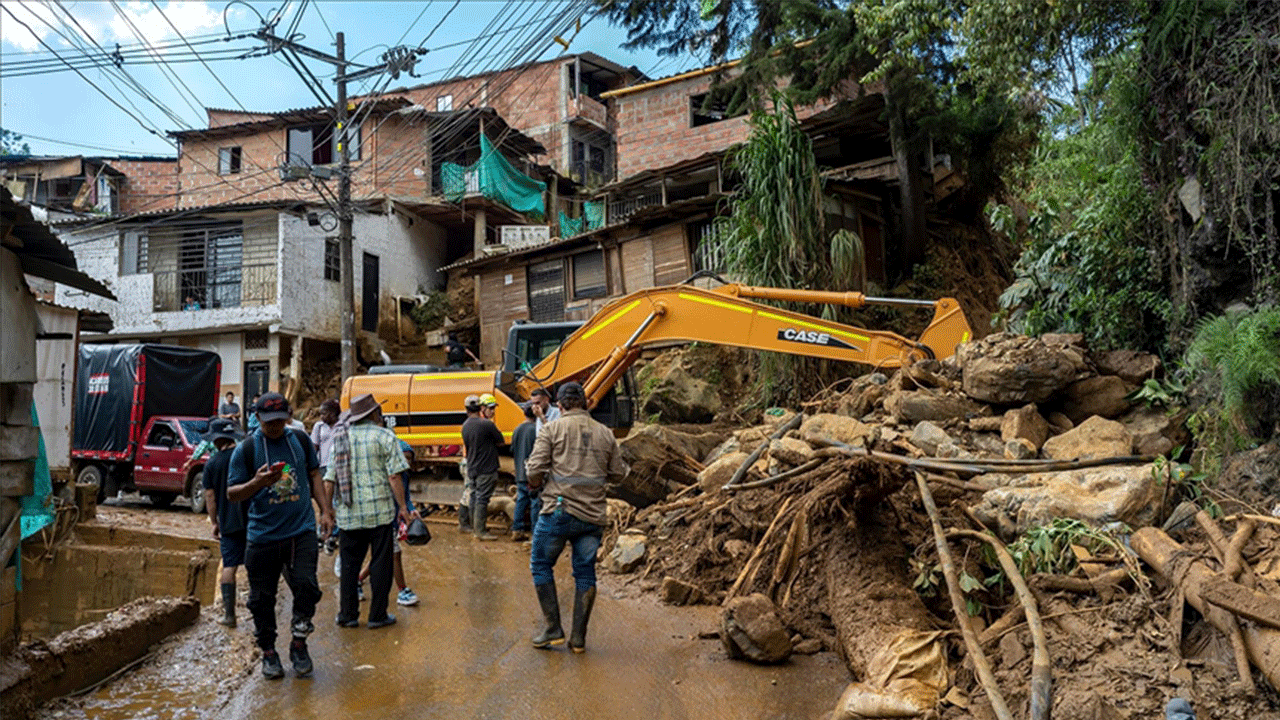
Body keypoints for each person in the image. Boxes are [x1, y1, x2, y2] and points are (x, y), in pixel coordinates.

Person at [227, 392, 333, 680]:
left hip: (300, 531)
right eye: (268, 421)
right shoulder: (246, 449)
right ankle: (269, 652)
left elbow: (314, 475)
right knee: (262, 599)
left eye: (280, 420)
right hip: (262, 536)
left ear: (288, 416)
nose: (274, 426)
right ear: (257, 418)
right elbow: (232, 493)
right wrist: (257, 482)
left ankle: (299, 643)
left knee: (307, 586)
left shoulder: (298, 441)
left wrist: (325, 511)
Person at [525, 381, 627, 653]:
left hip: (558, 512)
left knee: (540, 564)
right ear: (585, 403)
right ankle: (579, 639)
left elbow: (533, 470)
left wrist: (538, 482)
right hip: (592, 516)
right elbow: (619, 474)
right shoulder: (605, 433)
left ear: (559, 405)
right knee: (585, 572)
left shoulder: (552, 428)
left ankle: (553, 628)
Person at [324, 393, 414, 630]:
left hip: (348, 513)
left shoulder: (340, 439)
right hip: (380, 513)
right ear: (373, 414)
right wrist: (403, 508)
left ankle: (348, 615)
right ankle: (377, 616)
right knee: (380, 564)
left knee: (349, 566)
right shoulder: (384, 436)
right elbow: (394, 475)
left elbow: (329, 478)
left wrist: (327, 510)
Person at [358, 436, 419, 607]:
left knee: (382, 555)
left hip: (392, 520)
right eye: (403, 457)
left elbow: (405, 497)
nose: (406, 461)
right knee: (394, 554)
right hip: (381, 519)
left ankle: (358, 580)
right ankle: (402, 590)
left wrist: (411, 509)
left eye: (409, 458)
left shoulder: (404, 476)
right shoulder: (385, 475)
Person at [200, 418, 247, 627]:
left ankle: (229, 616)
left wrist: (214, 522)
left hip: (228, 522)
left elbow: (210, 497)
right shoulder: (246, 455)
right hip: (252, 519)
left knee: (229, 567)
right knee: (257, 565)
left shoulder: (212, 463)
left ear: (216, 439)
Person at [461, 392, 504, 541]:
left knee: (473, 496)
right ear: (480, 408)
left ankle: (474, 527)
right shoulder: (486, 424)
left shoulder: (465, 426)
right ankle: (480, 531)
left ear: (466, 409)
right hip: (486, 467)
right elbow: (501, 441)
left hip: (472, 466)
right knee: (482, 499)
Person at [510, 403, 538, 542]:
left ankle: (517, 529)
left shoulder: (517, 429)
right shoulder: (536, 430)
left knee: (521, 501)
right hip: (532, 473)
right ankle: (535, 533)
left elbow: (512, 449)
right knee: (535, 502)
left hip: (520, 471)